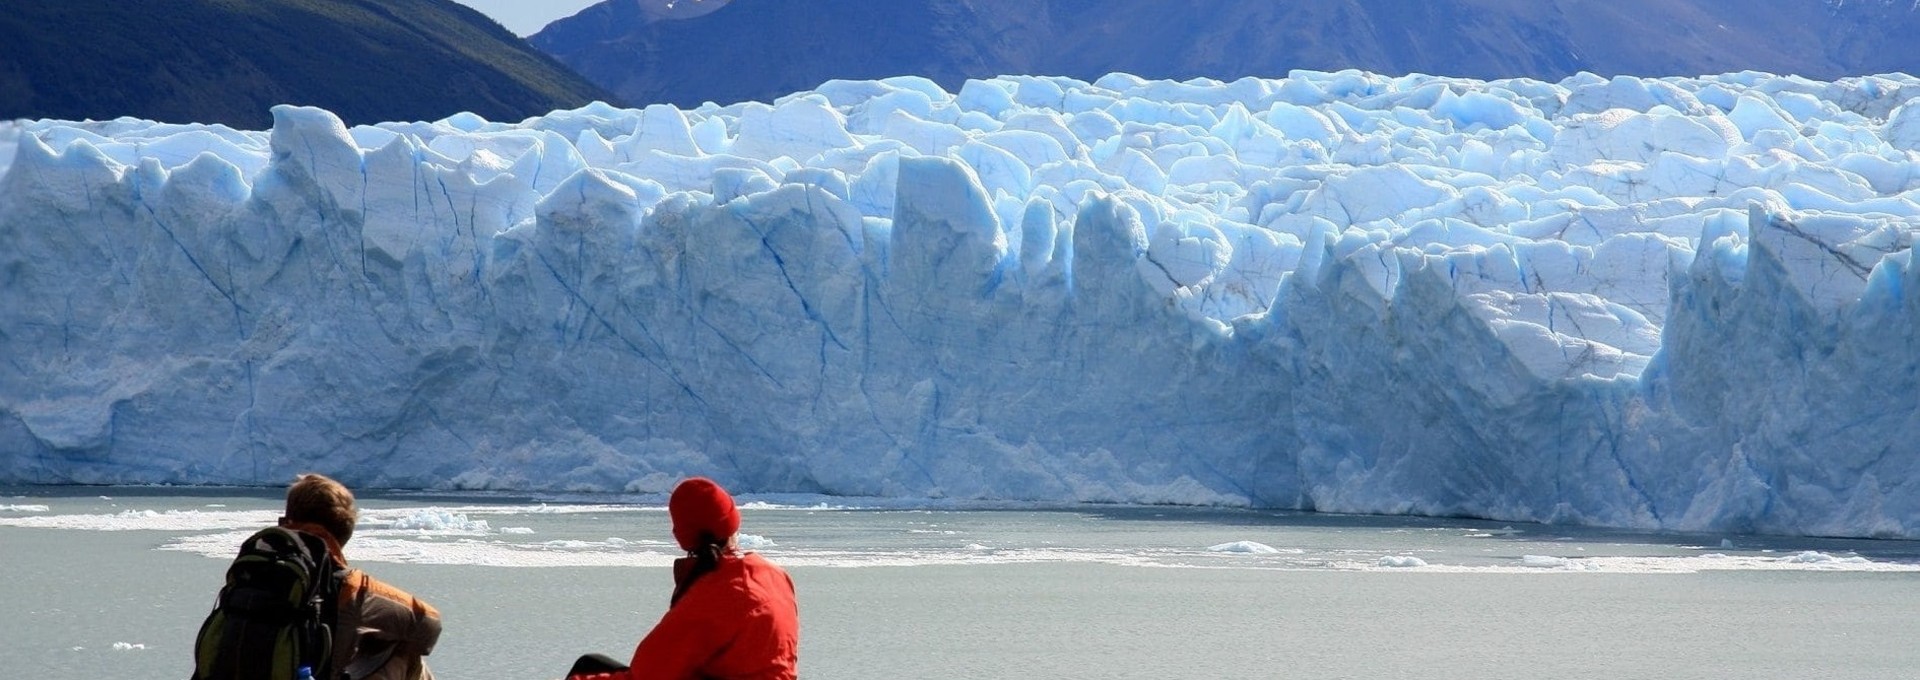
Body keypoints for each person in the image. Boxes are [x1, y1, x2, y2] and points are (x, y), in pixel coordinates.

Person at [567, 477, 800, 680]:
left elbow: (649, 675)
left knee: (587, 666)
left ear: (682, 535)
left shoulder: (715, 593)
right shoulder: (774, 576)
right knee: (593, 663)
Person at [281, 473, 444, 680]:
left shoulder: (249, 571)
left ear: (286, 522)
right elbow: (429, 625)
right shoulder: (352, 588)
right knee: (403, 654)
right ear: (345, 530)